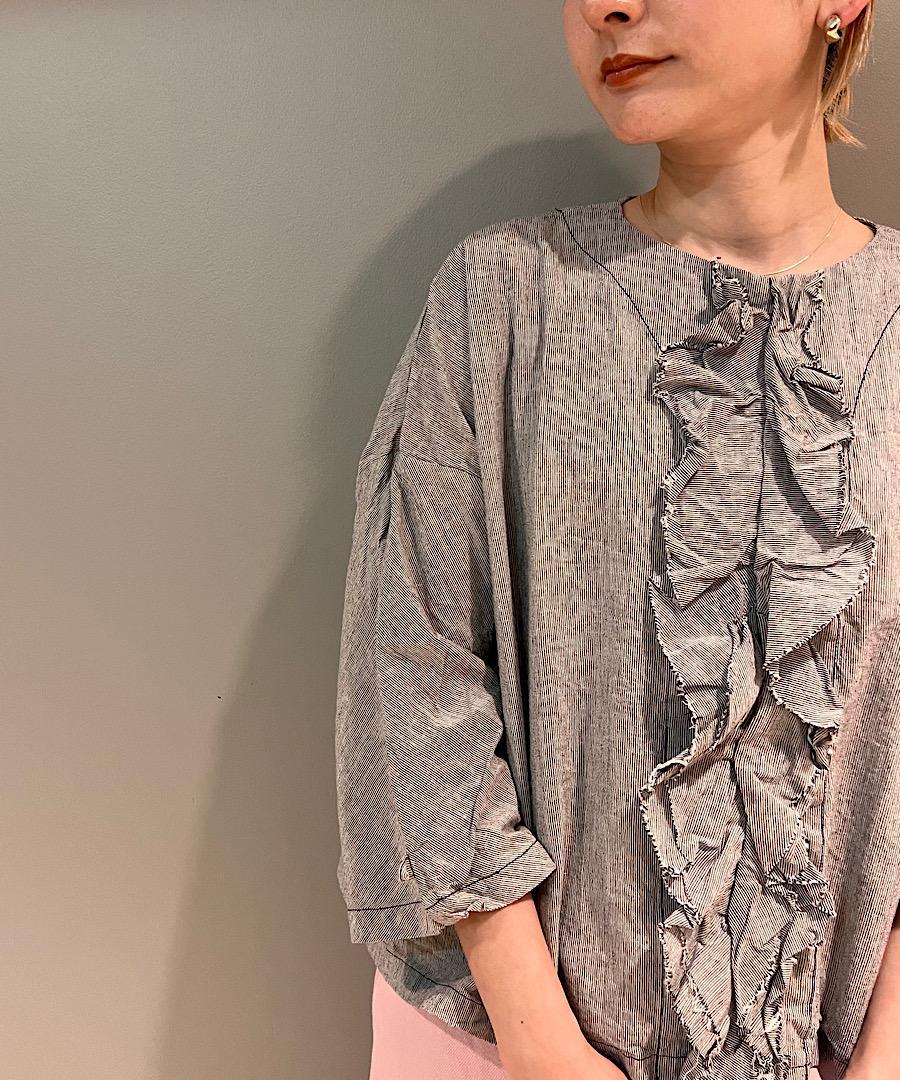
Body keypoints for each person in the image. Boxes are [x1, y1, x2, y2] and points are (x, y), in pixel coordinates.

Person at [333, 2, 900, 1079]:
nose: (607, 7)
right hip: (509, 1042)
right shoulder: (504, 294)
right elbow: (411, 669)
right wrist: (542, 1044)